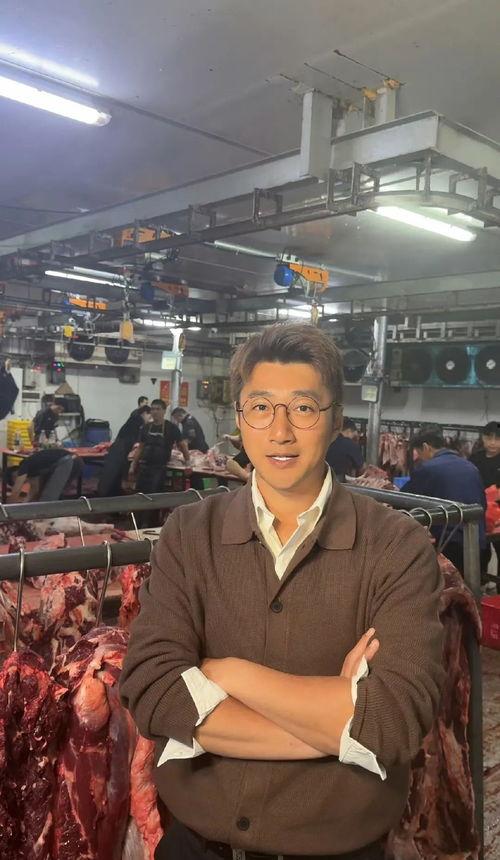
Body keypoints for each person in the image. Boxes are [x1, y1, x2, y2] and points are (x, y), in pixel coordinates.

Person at [120, 323, 444, 860]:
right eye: (260, 407)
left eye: (303, 408)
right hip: (195, 846)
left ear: (336, 420)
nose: (280, 431)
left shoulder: (396, 545)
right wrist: (341, 726)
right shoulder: (189, 533)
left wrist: (227, 673)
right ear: (239, 418)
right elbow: (153, 690)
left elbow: (395, 719)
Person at [403, 426, 487, 575]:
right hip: (477, 543)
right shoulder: (470, 467)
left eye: (419, 453)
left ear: (426, 447)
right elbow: (482, 505)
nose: (419, 457)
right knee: (468, 587)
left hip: (448, 546)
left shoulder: (428, 469)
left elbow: (404, 501)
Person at [129, 398, 190, 496]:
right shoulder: (146, 427)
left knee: (154, 497)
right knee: (140, 496)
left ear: (164, 411)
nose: (155, 412)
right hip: (144, 467)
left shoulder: (171, 428)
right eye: (153, 409)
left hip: (159, 469)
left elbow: (183, 445)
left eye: (158, 409)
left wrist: (188, 463)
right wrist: (133, 464)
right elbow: (141, 447)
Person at [97, 405, 151, 497]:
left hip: (119, 449)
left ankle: (109, 495)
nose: (149, 420)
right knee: (113, 475)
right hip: (121, 450)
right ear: (144, 413)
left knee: (114, 476)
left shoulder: (133, 420)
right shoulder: (137, 422)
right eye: (149, 417)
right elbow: (137, 441)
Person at [9, 449, 83, 502]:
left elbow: (16, 490)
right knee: (53, 495)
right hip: (76, 461)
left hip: (67, 461)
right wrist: (25, 503)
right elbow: (34, 489)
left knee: (47, 499)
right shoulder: (32, 470)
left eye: (15, 481)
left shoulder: (24, 465)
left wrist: (8, 508)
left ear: (14, 475)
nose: (23, 482)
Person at [469, 421, 500, 490]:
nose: (492, 443)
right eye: (489, 438)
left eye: (497, 439)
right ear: (483, 438)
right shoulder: (474, 457)